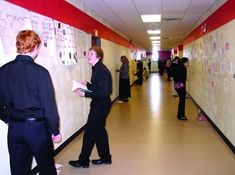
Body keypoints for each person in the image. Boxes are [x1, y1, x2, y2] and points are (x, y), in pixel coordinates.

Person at [0, 30, 61, 175]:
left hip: (14, 129)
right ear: (35, 47)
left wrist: (7, 118)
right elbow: (49, 106)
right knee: (46, 167)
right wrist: (55, 130)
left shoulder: (3, 71)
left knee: (18, 168)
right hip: (37, 129)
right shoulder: (40, 72)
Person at [69, 46, 112, 168]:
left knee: (89, 132)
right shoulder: (96, 68)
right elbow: (100, 88)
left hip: (101, 105)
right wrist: (88, 85)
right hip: (100, 104)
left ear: (98, 56)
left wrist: (85, 93)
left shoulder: (101, 70)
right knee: (99, 132)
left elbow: (105, 92)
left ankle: (83, 161)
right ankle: (106, 158)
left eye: (91, 54)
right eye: (88, 53)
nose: (88, 56)